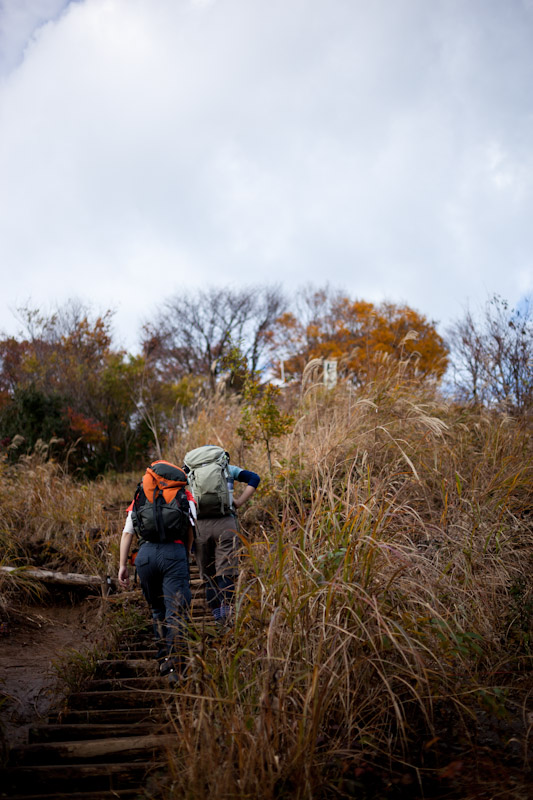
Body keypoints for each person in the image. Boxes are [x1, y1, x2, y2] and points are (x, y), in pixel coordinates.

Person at [118, 461, 196, 682]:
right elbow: (190, 528)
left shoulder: (142, 494)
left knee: (157, 610)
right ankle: (177, 668)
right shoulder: (184, 494)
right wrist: (186, 553)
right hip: (174, 553)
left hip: (145, 556)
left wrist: (123, 565)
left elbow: (127, 533)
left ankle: (163, 660)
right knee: (176, 612)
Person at [183, 446, 260, 628]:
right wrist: (239, 501)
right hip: (226, 523)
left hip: (200, 526)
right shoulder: (228, 470)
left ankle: (217, 617)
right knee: (226, 572)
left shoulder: (190, 473)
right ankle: (228, 618)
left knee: (208, 576)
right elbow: (254, 478)